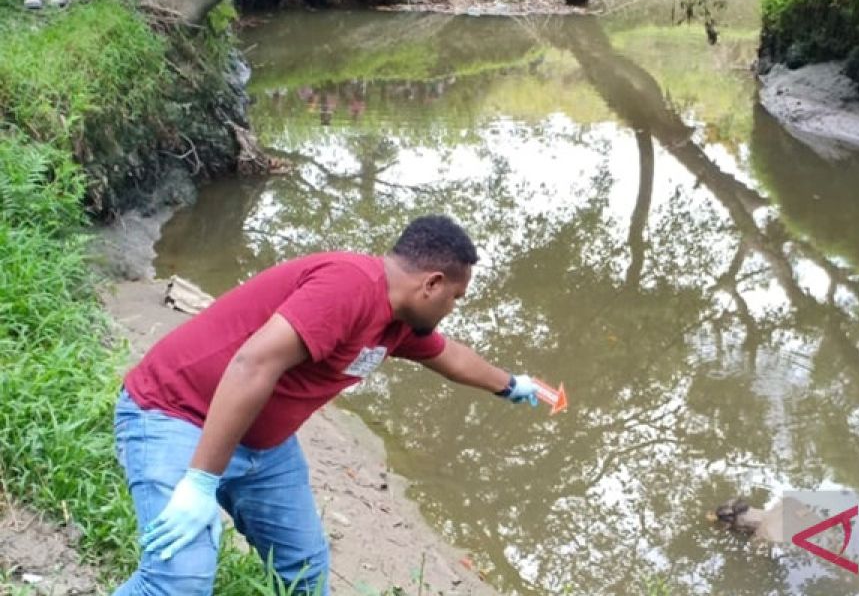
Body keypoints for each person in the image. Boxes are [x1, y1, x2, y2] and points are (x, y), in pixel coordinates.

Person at [112, 216, 541, 595]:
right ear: (431, 283)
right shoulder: (348, 286)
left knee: (304, 573)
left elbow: (450, 357)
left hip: (262, 447)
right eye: (455, 297)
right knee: (180, 579)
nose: (451, 309)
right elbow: (252, 363)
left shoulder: (398, 323)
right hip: (173, 413)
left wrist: (511, 385)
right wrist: (201, 480)